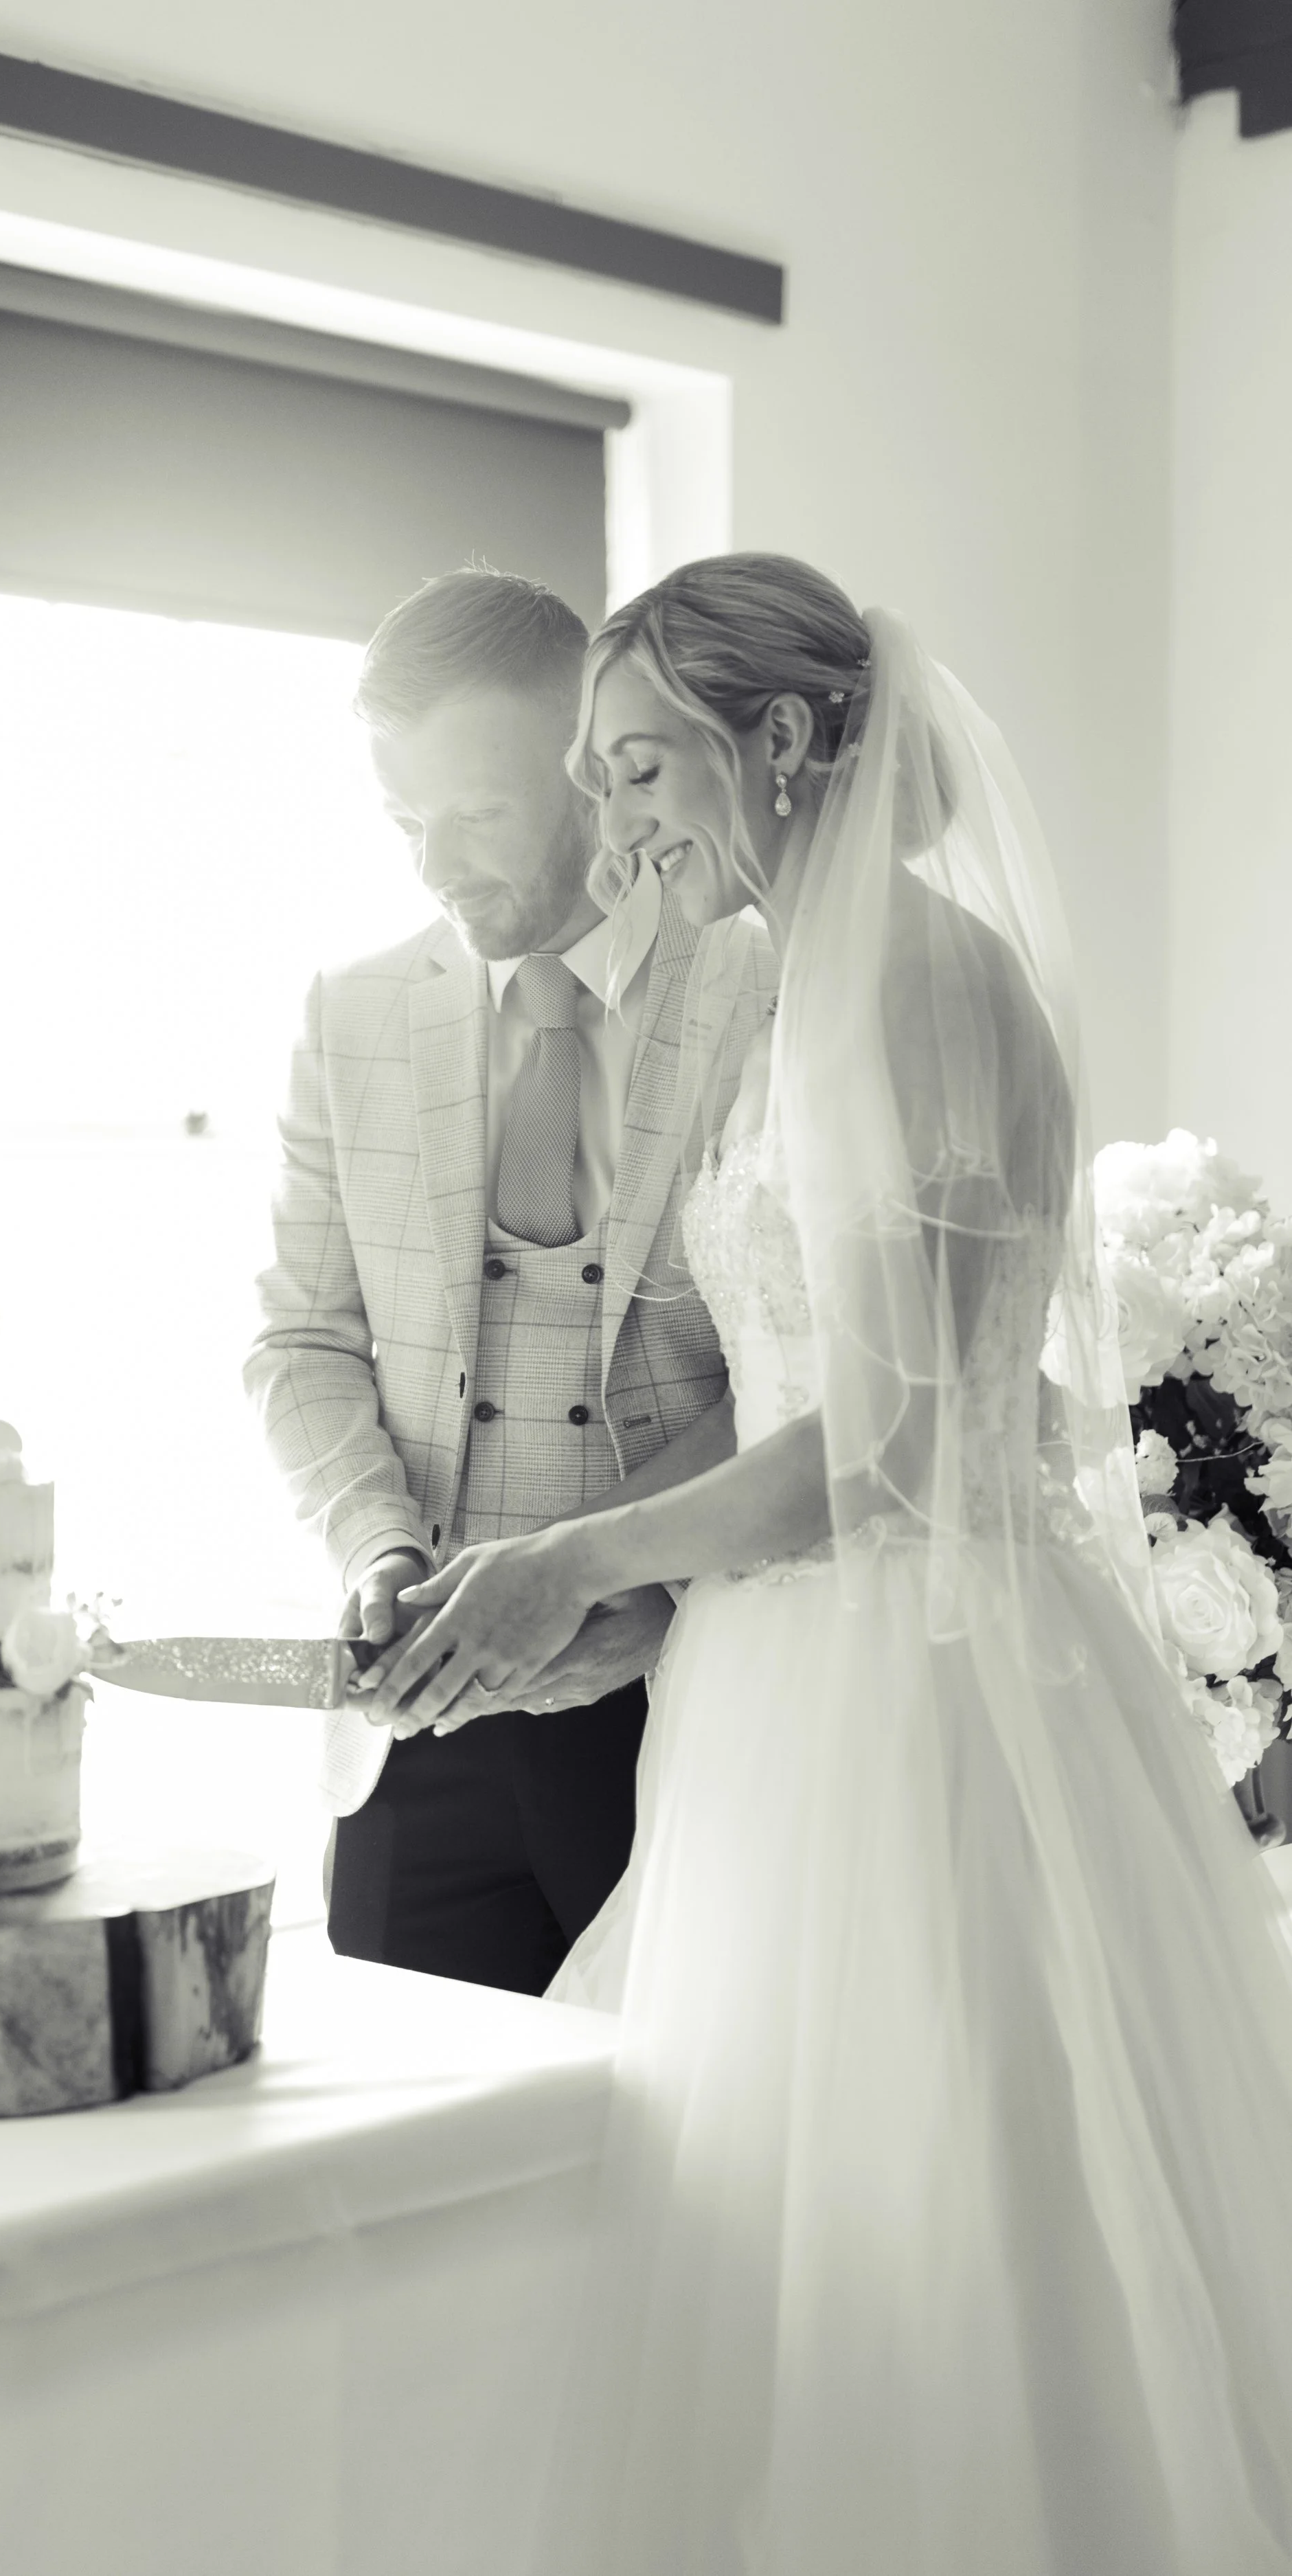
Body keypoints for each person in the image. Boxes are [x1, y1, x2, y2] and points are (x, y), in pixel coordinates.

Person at [364, 554, 1292, 2571]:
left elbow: (894, 1446)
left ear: (779, 741)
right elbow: (803, 1385)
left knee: (945, 2223)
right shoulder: (812, 979)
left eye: (639, 771)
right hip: (777, 1688)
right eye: (598, 785)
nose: (616, 829)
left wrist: (582, 1546)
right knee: (792, 2246)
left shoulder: (911, 984)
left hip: (922, 1700)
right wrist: (588, 1595)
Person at [245, 567, 775, 1994]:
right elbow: (299, 1340)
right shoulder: (348, 1014)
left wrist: (628, 1569)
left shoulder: (762, 993)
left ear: (595, 778)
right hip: (413, 1737)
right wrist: (376, 1549)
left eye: (473, 816)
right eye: (403, 821)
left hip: (686, 1700)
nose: (433, 866)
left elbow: (807, 1373)